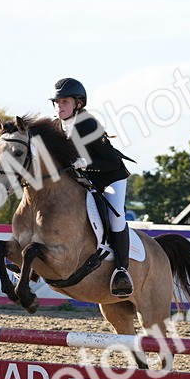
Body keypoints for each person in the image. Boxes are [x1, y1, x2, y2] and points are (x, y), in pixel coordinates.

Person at [50, 77, 136, 297]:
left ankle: (121, 270)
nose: (60, 106)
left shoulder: (88, 123)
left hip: (110, 178)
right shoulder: (56, 125)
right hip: (84, 180)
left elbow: (111, 162)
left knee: (116, 218)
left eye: (65, 102)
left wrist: (85, 163)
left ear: (78, 103)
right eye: (57, 102)